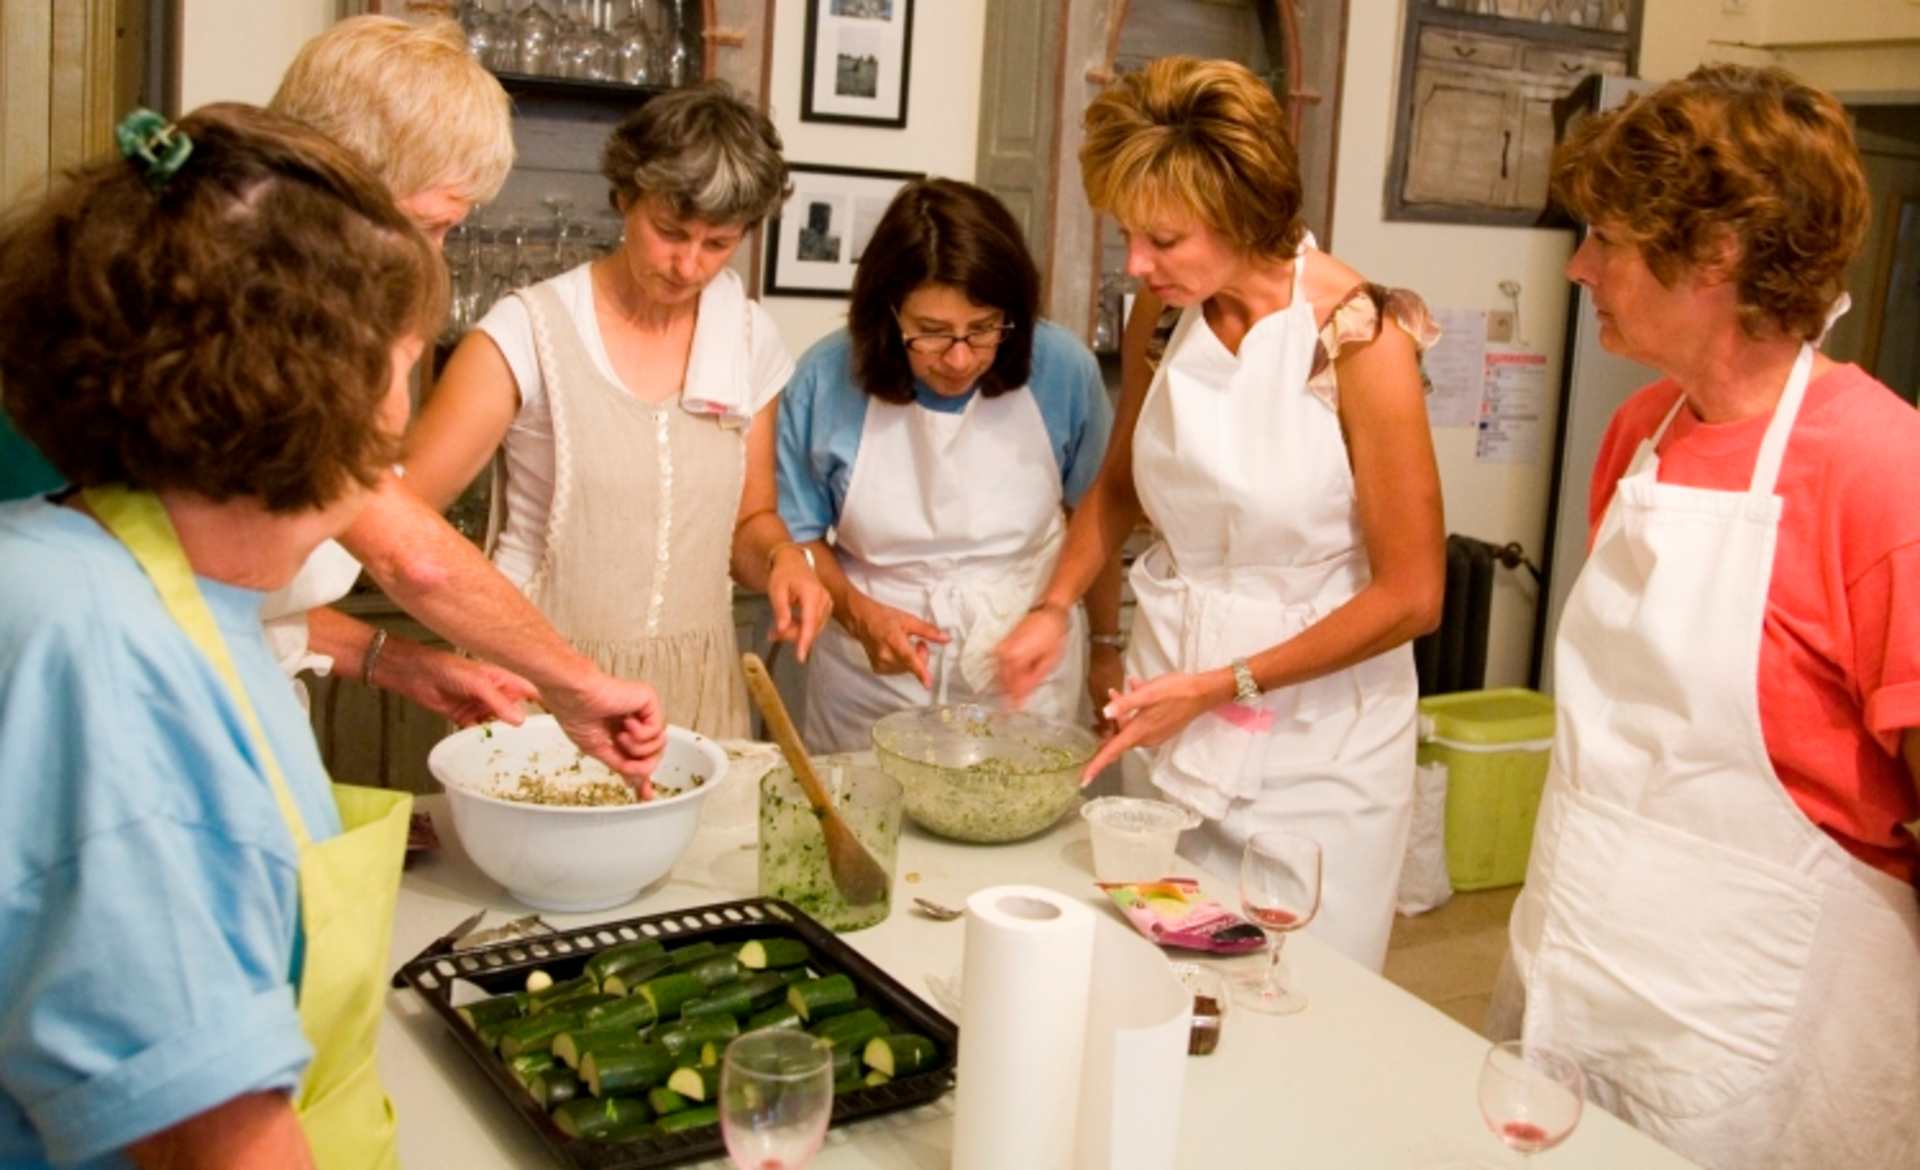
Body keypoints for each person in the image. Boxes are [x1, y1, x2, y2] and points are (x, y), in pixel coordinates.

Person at [0, 103, 457, 1170]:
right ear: (317, 388)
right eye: (401, 364)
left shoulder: (86, 562)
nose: (405, 405)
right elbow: (220, 1143)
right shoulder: (112, 659)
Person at [1488, 65, 1920, 1170]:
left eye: (1607, 238)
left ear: (1717, 251)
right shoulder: (1641, 433)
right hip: (1580, 962)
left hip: (1769, 1025)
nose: (1581, 266)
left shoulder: (1881, 469)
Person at [995, 57, 1444, 972]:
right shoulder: (1163, 320)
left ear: (1244, 215)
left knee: (1297, 992)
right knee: (1159, 977)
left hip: (1319, 748)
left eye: (1162, 238)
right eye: (1127, 234)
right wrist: (1053, 605)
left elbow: (1413, 595)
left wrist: (1225, 682)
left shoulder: (1359, 337)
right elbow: (1120, 487)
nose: (1135, 264)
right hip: (1172, 709)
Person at [264, 15, 669, 778]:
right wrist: (578, 685)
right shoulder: (253, 316)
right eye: (434, 224)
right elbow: (406, 553)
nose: (433, 258)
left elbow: (239, 600)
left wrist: (401, 662)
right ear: (338, 181)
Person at [405, 83, 831, 739]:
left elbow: (749, 522)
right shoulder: (527, 332)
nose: (689, 264)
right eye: (669, 232)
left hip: (696, 684)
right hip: (542, 683)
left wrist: (782, 562)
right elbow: (399, 516)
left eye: (718, 243)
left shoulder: (747, 339)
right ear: (625, 196)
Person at [776, 179, 1120, 752]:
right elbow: (799, 537)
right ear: (888, 315)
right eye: (931, 333)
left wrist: (1106, 644)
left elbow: (1098, 515)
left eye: (983, 329)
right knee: (868, 823)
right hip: (872, 665)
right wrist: (861, 617)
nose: (959, 359)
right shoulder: (824, 378)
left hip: (1027, 648)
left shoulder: (1063, 369)